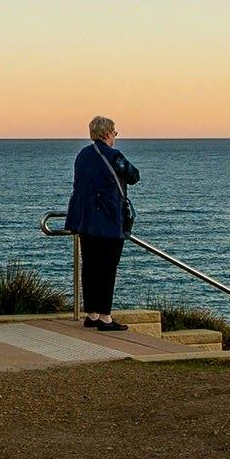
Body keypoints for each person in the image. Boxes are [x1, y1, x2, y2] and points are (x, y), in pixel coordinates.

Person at [65, 116, 138, 330]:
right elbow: (134, 176)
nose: (115, 136)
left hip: (85, 220)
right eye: (114, 133)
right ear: (107, 134)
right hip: (108, 221)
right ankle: (105, 316)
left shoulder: (82, 155)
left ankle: (92, 314)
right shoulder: (114, 156)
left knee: (89, 267)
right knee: (107, 269)